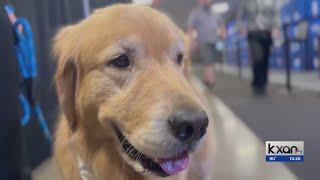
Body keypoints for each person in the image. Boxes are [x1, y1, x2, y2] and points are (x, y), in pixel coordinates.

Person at [238, 0, 277, 95]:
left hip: (267, 32)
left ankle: (261, 82)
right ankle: (259, 84)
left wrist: (276, 27)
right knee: (257, 58)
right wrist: (241, 27)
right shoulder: (246, 2)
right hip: (253, 32)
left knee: (265, 59)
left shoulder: (270, 1)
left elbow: (275, 13)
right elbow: (240, 16)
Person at [187, 0, 224, 87]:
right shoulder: (196, 13)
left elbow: (221, 24)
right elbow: (190, 27)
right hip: (203, 41)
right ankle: (211, 80)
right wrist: (191, 41)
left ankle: (206, 79)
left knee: (210, 61)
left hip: (214, 41)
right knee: (208, 61)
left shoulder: (215, 13)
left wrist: (223, 33)